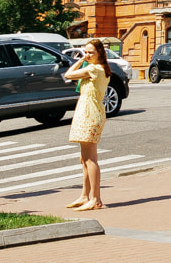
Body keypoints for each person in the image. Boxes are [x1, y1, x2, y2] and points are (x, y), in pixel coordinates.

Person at [64, 38, 111, 211]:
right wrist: (84, 58)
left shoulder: (94, 69)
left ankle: (96, 199)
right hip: (86, 112)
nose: (88, 55)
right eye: (86, 52)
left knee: (90, 159)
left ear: (100, 53)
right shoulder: (98, 68)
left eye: (91, 52)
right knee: (84, 159)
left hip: (90, 114)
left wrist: (81, 60)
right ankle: (85, 196)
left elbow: (68, 75)